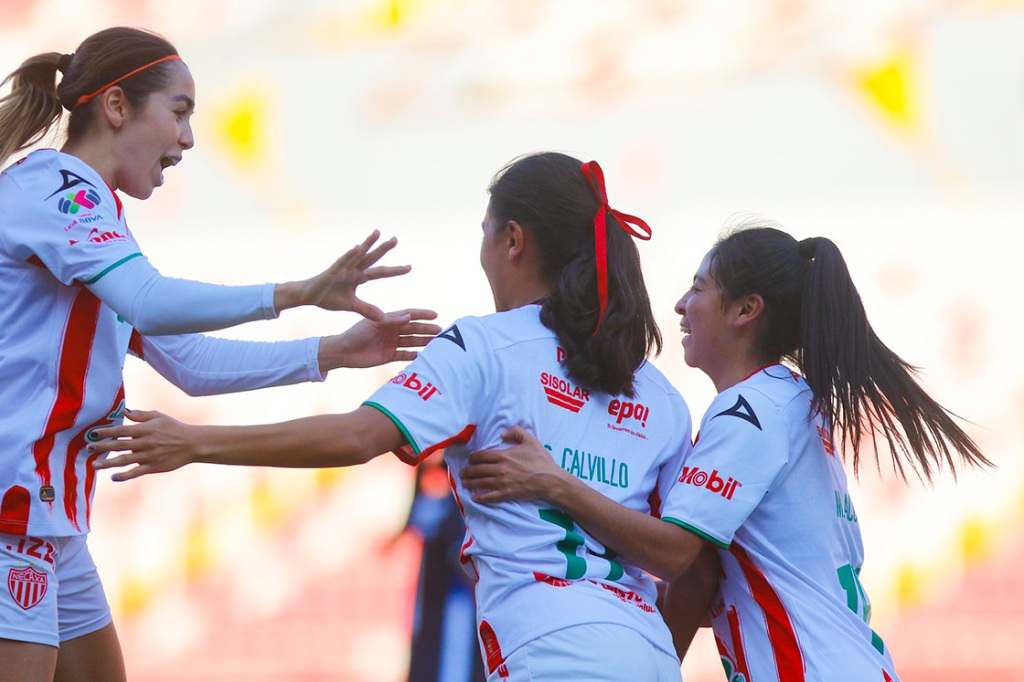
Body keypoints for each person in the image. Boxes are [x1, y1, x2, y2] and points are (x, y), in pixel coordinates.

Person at [90, 151, 714, 681]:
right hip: (649, 654)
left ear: (513, 241)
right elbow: (687, 561)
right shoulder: (658, 396)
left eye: (485, 231)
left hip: (547, 652)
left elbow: (357, 437)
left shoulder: (485, 348)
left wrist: (194, 443)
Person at [0, 26, 439, 682]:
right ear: (117, 107)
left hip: (47, 516)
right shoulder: (59, 190)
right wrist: (296, 292)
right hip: (14, 512)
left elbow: (191, 364)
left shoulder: (94, 219)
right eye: (178, 112)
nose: (188, 139)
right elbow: (149, 302)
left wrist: (332, 353)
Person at [457, 223, 991, 682]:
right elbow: (701, 574)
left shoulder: (749, 411)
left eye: (698, 288)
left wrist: (553, 482)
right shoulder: (790, 401)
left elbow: (675, 554)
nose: (680, 305)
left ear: (744, 310)